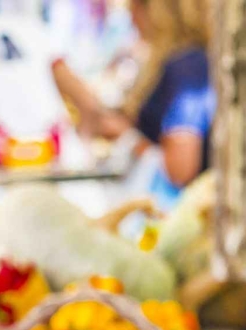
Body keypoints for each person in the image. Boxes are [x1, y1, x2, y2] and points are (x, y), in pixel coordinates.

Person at [51, 0, 213, 197]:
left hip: (171, 209)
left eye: (135, 7)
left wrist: (127, 137)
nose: (131, 17)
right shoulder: (178, 62)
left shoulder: (187, 68)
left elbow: (180, 169)